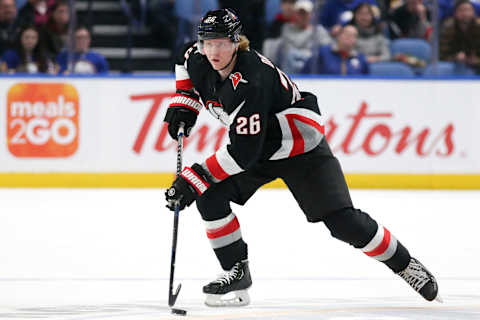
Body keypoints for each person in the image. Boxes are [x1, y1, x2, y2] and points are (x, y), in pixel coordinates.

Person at [164, 8, 441, 307]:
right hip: (257, 143)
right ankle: (236, 270)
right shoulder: (197, 55)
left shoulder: (252, 80)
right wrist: (184, 105)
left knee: (343, 223)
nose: (213, 51)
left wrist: (194, 179)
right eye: (207, 43)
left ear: (236, 41)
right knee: (210, 197)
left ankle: (405, 264)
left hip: (298, 147)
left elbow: (243, 154)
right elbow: (185, 66)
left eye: (221, 43)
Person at [269, 0, 332, 74]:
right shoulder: (287, 28)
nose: (303, 17)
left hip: (312, 70)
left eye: (306, 14)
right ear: (295, 14)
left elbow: (326, 51)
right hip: (291, 67)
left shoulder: (319, 30)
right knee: (290, 55)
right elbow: (288, 51)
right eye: (300, 13)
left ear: (311, 15)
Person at [301, 25, 369, 74]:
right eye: (347, 34)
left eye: (353, 36)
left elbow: (366, 82)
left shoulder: (360, 58)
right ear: (338, 36)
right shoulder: (323, 52)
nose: (349, 38)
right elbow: (306, 71)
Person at [439, 0, 480, 74]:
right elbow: (441, 55)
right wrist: (455, 57)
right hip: (453, 65)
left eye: (468, 10)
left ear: (474, 12)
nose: (466, 14)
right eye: (462, 10)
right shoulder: (448, 28)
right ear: (455, 13)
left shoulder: (478, 28)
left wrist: (476, 60)